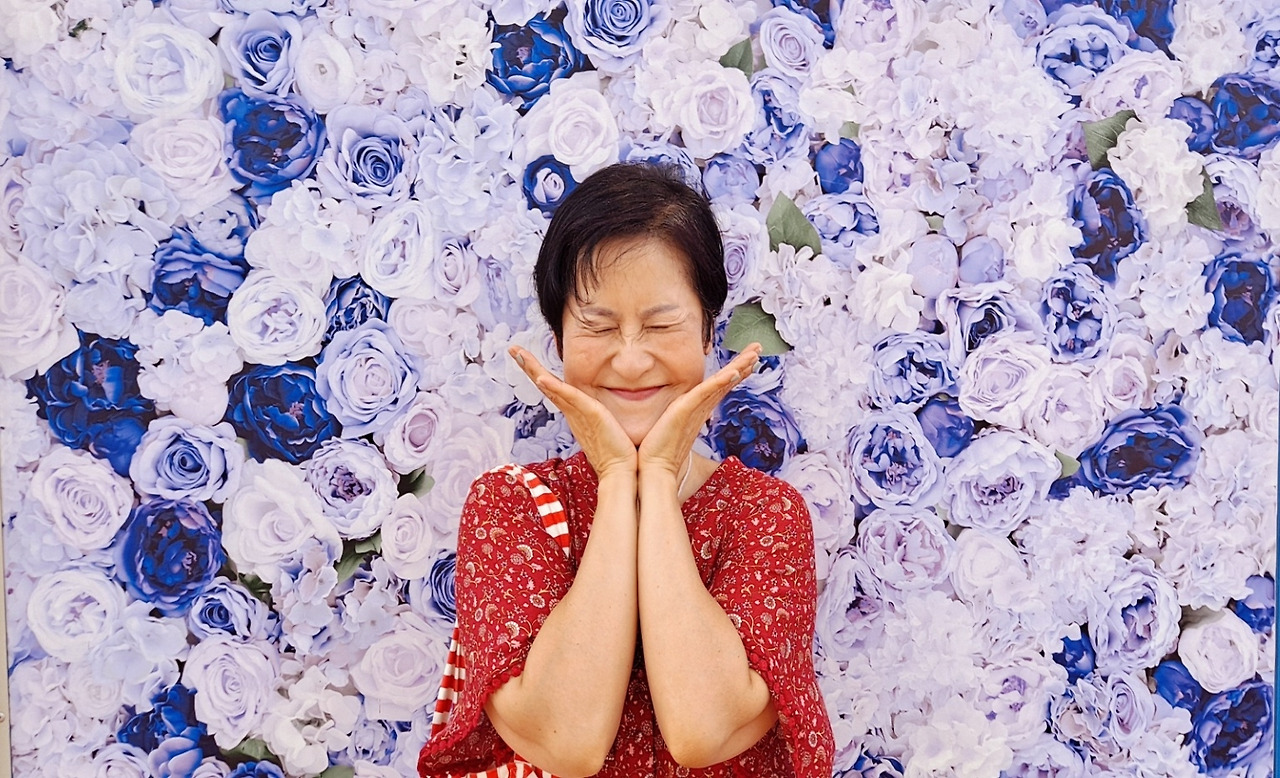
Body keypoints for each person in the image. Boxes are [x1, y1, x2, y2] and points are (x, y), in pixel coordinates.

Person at [418, 163, 834, 777]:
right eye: (598, 326)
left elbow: (702, 730)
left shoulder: (764, 515)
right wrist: (617, 480)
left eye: (662, 325)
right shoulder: (509, 507)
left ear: (708, 333)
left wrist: (658, 478)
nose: (632, 361)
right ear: (559, 338)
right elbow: (566, 742)